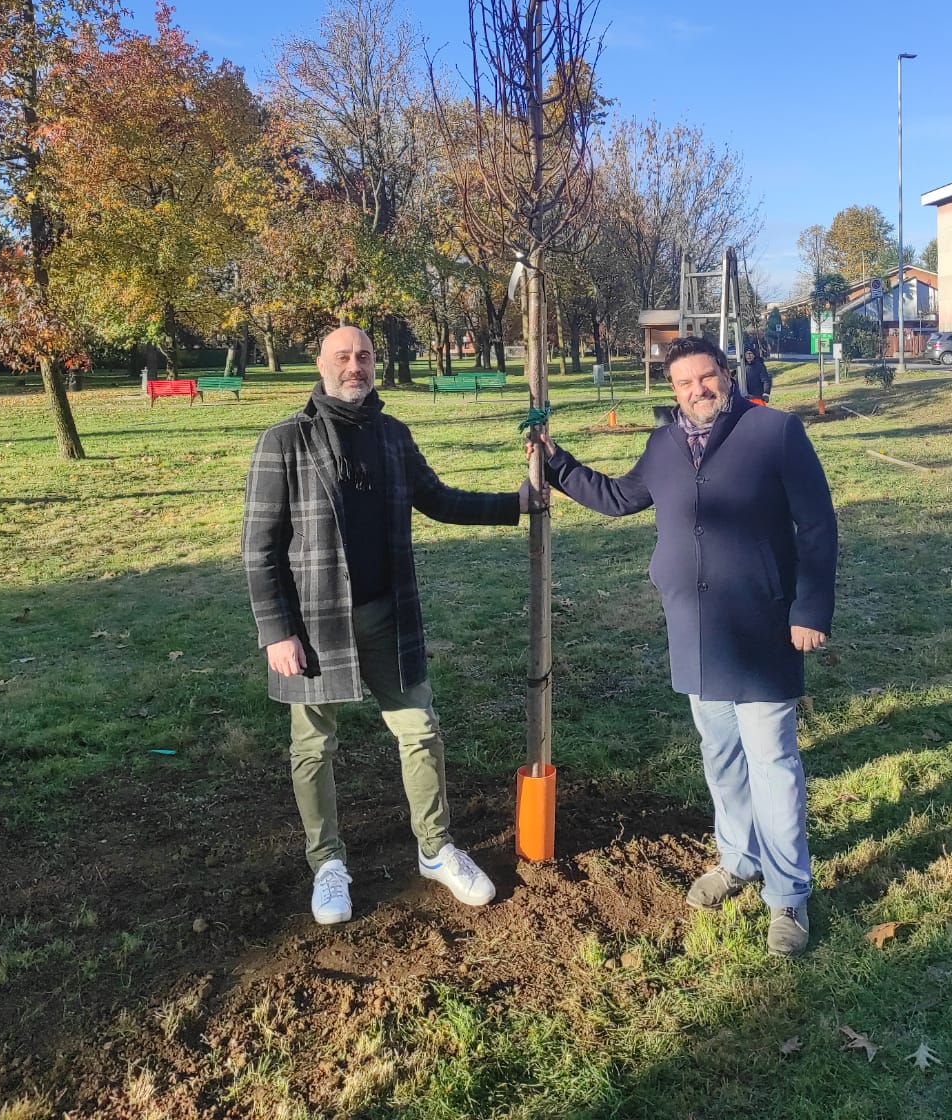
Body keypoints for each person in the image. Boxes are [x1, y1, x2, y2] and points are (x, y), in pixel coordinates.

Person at [530, 334, 836, 956]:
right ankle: (738, 860)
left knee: (772, 765)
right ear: (672, 390)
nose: (696, 390)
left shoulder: (774, 432)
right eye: (682, 383)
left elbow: (817, 523)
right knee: (721, 758)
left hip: (763, 627)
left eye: (705, 377)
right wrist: (557, 462)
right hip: (694, 630)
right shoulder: (664, 443)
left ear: (726, 374)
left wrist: (809, 609)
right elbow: (619, 498)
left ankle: (789, 898)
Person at [243, 325, 538, 925]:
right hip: (315, 624)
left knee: (421, 730)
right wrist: (276, 630)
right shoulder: (284, 442)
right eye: (343, 356)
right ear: (320, 364)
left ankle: (435, 849)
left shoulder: (393, 436)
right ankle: (327, 863)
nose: (356, 366)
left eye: (365, 356)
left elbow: (440, 500)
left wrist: (518, 501)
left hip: (387, 616)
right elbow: (259, 548)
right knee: (312, 747)